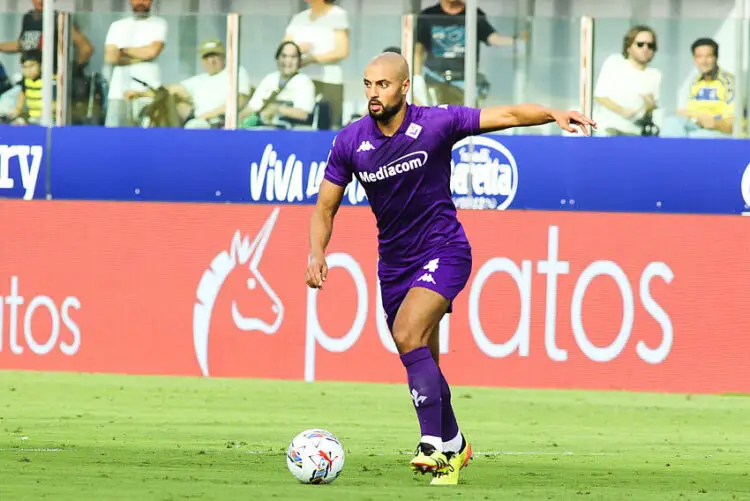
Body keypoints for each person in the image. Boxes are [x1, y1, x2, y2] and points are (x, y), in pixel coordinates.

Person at [304, 52, 594, 485]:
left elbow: (509, 114)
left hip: (444, 249)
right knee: (421, 356)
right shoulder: (350, 141)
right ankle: (454, 443)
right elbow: (326, 207)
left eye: (382, 85)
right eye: (367, 84)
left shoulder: (437, 123)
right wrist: (316, 252)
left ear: (405, 87)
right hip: (395, 265)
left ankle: (431, 444)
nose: (373, 94)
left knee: (406, 334)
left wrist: (551, 112)